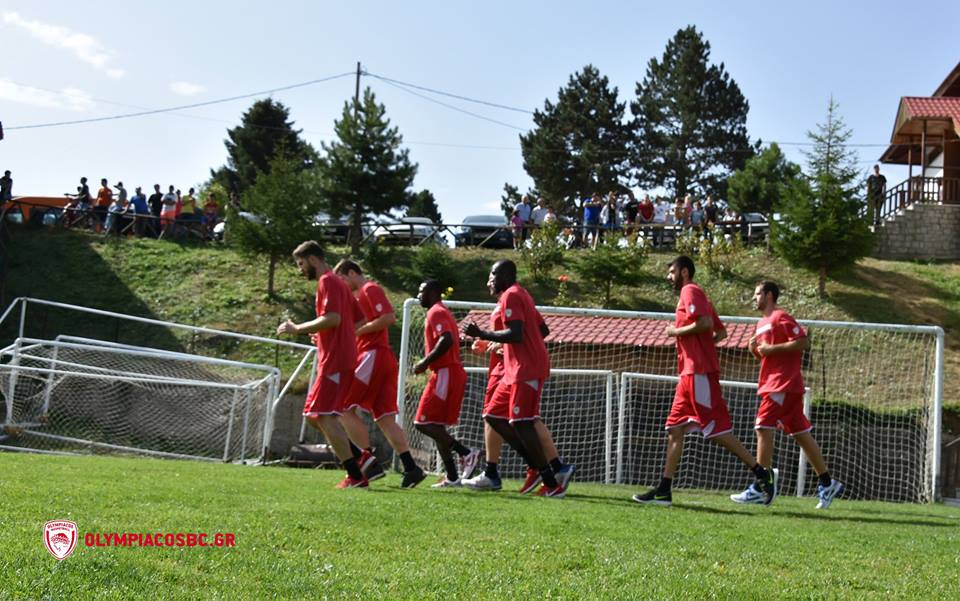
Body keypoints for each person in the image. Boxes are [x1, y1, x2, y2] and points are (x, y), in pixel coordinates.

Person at [631, 256, 776, 506]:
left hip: (697, 373)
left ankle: (762, 474)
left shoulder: (690, 290)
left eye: (672, 271)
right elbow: (719, 332)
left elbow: (706, 324)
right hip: (688, 374)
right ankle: (664, 491)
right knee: (674, 429)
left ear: (684, 272)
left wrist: (676, 332)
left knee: (716, 431)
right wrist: (700, 346)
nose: (669, 276)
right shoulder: (698, 295)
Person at [730, 281, 844, 509]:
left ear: (769, 295)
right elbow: (768, 357)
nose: (754, 298)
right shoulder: (761, 323)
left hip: (781, 383)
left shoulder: (781, 316)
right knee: (801, 434)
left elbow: (802, 342)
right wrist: (756, 351)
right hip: (779, 384)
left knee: (763, 427)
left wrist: (771, 349)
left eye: (757, 294)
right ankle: (827, 482)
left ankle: (761, 487)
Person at [462, 277, 575, 494]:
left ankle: (547, 476)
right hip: (510, 368)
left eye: (492, 277)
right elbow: (534, 331)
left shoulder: (514, 296)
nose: (487, 282)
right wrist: (497, 344)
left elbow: (521, 333)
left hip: (519, 367)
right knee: (495, 416)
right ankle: (544, 468)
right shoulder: (515, 297)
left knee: (525, 421)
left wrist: (488, 338)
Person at [276, 241, 368, 489]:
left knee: (323, 416)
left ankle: (356, 476)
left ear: (313, 260)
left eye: (301, 263)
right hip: (340, 356)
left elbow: (333, 318)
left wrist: (296, 328)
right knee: (314, 414)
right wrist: (327, 335)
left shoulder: (327, 281)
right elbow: (358, 321)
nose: (300, 269)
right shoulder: (339, 283)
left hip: (335, 359)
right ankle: (361, 459)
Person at [333, 259, 427, 488]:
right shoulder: (360, 296)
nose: (343, 285)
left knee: (342, 408)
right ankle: (411, 468)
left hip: (372, 355)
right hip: (381, 358)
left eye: (343, 279)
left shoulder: (370, 289)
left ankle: (366, 464)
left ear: (353, 273)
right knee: (385, 418)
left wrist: (357, 331)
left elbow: (387, 318)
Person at [412, 279, 478, 488]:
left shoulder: (436, 312)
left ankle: (466, 453)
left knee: (422, 423)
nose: (418, 295)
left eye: (421, 291)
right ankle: (452, 476)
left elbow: (446, 339)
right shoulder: (441, 311)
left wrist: (424, 362)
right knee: (437, 427)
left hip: (445, 372)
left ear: (432, 292)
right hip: (448, 372)